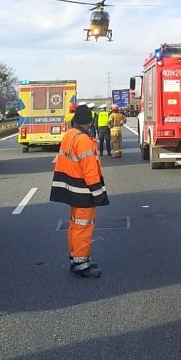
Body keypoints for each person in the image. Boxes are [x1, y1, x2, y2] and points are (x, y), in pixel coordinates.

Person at [50, 104, 109, 278]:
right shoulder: (83, 140)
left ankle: (76, 258)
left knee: (75, 226)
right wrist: (97, 193)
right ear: (90, 122)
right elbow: (89, 169)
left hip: (71, 188)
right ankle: (82, 265)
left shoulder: (70, 135)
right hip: (83, 190)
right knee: (83, 227)